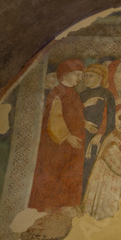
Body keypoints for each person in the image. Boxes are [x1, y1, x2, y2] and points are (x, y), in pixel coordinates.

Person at [29, 59, 86, 213]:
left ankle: (66, 204)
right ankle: (52, 207)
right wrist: (67, 136)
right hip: (58, 145)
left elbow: (74, 116)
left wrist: (84, 125)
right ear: (66, 75)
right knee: (56, 172)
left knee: (70, 173)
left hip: (73, 144)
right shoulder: (58, 93)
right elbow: (55, 118)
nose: (80, 79)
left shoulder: (73, 94)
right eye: (77, 75)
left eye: (81, 75)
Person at [80, 63, 115, 188]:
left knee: (93, 168)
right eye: (86, 76)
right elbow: (73, 115)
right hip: (82, 135)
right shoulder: (82, 94)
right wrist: (84, 123)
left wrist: (100, 135)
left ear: (100, 78)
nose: (87, 79)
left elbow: (109, 118)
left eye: (91, 76)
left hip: (98, 138)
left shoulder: (107, 95)